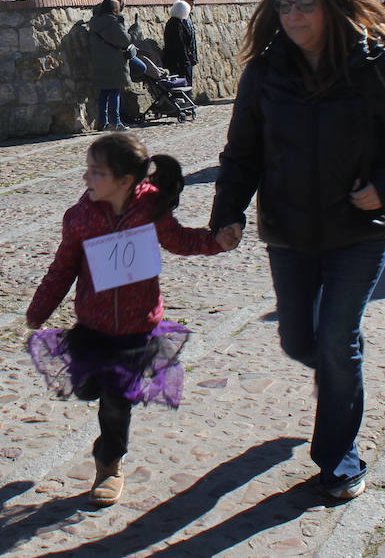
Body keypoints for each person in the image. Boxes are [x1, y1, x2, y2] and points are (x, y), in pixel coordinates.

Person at [209, 0, 385, 501]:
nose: (294, 16)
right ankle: (341, 362)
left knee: (334, 340)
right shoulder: (264, 73)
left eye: (306, 4)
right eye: (284, 5)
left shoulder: (373, 67)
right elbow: (241, 154)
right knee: (298, 340)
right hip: (289, 230)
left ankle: (338, 457)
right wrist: (227, 213)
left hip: (359, 228)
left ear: (331, 5)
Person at [25, 133, 232, 507]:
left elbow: (181, 241)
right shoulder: (80, 218)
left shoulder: (150, 211)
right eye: (88, 170)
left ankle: (109, 463)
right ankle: (105, 424)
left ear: (124, 181)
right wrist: (39, 309)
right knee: (89, 388)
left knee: (117, 401)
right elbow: (63, 267)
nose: (87, 179)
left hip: (138, 328)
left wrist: (217, 241)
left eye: (96, 172)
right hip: (92, 325)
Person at [89, 0, 131, 131]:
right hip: (114, 62)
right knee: (114, 91)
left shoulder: (95, 22)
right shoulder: (113, 22)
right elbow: (125, 40)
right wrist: (132, 31)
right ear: (115, 9)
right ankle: (115, 122)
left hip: (99, 61)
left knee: (104, 93)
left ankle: (103, 122)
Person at [162, 0, 198, 87]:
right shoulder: (177, 25)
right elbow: (180, 45)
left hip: (173, 60)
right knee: (185, 83)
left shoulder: (171, 23)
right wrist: (186, 61)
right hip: (179, 62)